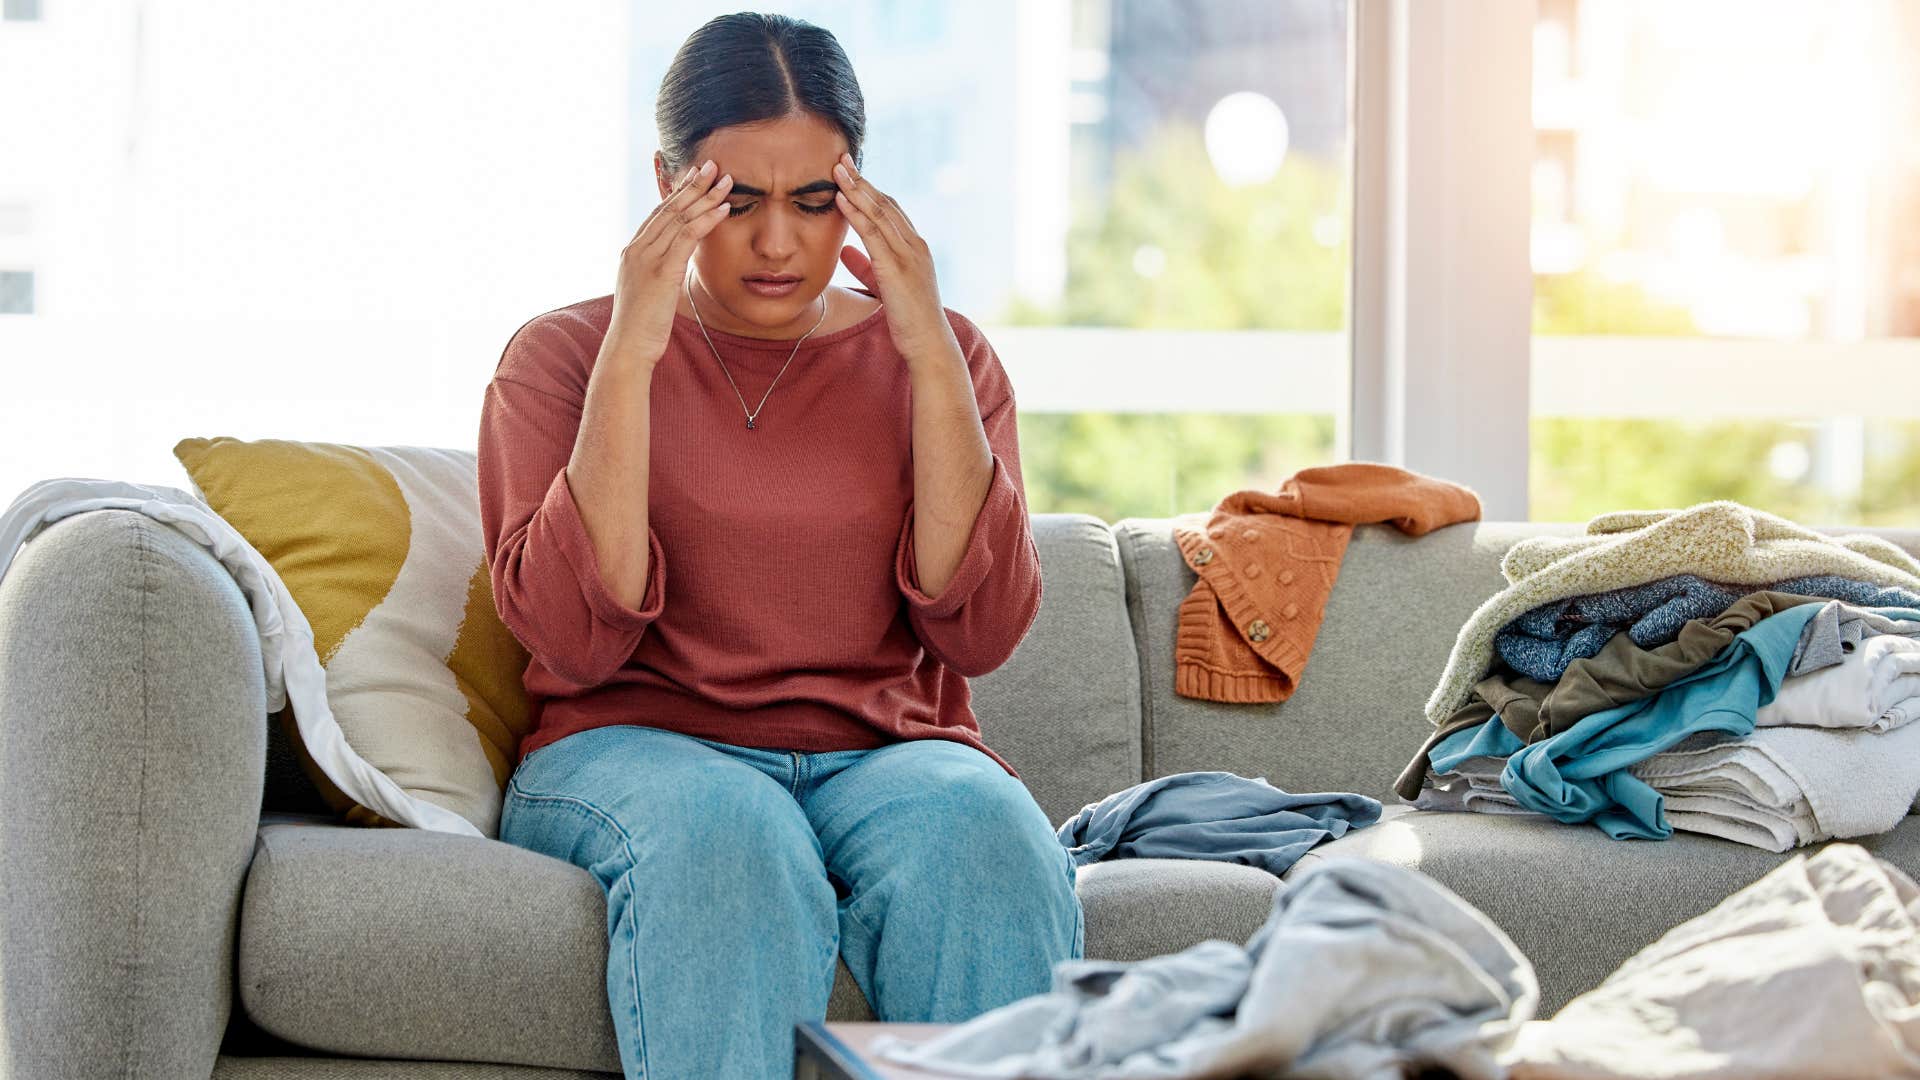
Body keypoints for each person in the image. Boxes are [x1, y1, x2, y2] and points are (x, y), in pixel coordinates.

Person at [475, 12, 1083, 1080]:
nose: (776, 242)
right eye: (736, 199)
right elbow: (573, 639)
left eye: (814, 202)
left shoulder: (943, 359)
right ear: (668, 183)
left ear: (860, 192)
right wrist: (635, 348)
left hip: (886, 757)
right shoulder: (563, 357)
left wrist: (927, 350)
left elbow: (978, 631)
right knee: (729, 836)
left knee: (987, 831)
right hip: (635, 751)